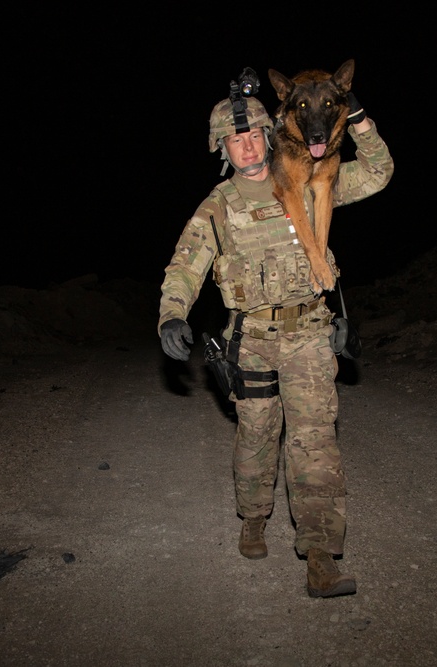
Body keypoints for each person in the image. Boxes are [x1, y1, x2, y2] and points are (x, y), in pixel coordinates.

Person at [158, 67, 393, 598]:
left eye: (250, 135)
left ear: (268, 134)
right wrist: (171, 313)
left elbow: (378, 171)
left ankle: (320, 556)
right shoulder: (220, 205)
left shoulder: (312, 179)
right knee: (257, 440)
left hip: (309, 333)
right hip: (253, 341)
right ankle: (253, 515)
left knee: (314, 445)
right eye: (233, 139)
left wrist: (356, 119)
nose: (244, 147)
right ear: (222, 147)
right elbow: (185, 265)